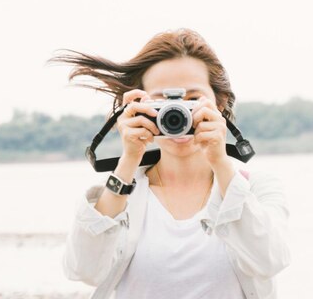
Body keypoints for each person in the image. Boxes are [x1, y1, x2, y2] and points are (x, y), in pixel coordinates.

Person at [50, 28, 290, 299]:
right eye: (162, 100)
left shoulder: (257, 188)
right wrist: (129, 158)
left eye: (192, 99)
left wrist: (220, 163)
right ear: (136, 105)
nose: (176, 113)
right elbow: (83, 270)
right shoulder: (122, 194)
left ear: (219, 104)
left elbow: (270, 260)